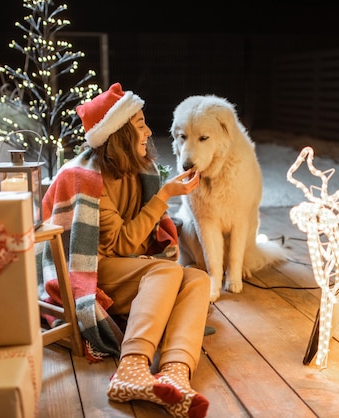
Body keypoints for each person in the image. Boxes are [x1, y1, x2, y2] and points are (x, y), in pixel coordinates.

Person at [39, 83, 211, 418]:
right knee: (167, 270)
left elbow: (137, 243)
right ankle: (132, 367)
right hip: (89, 272)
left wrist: (162, 194)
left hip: (122, 265)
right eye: (139, 124)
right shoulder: (86, 178)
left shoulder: (138, 169)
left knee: (197, 280)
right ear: (118, 134)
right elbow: (120, 244)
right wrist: (164, 196)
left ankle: (176, 370)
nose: (147, 130)